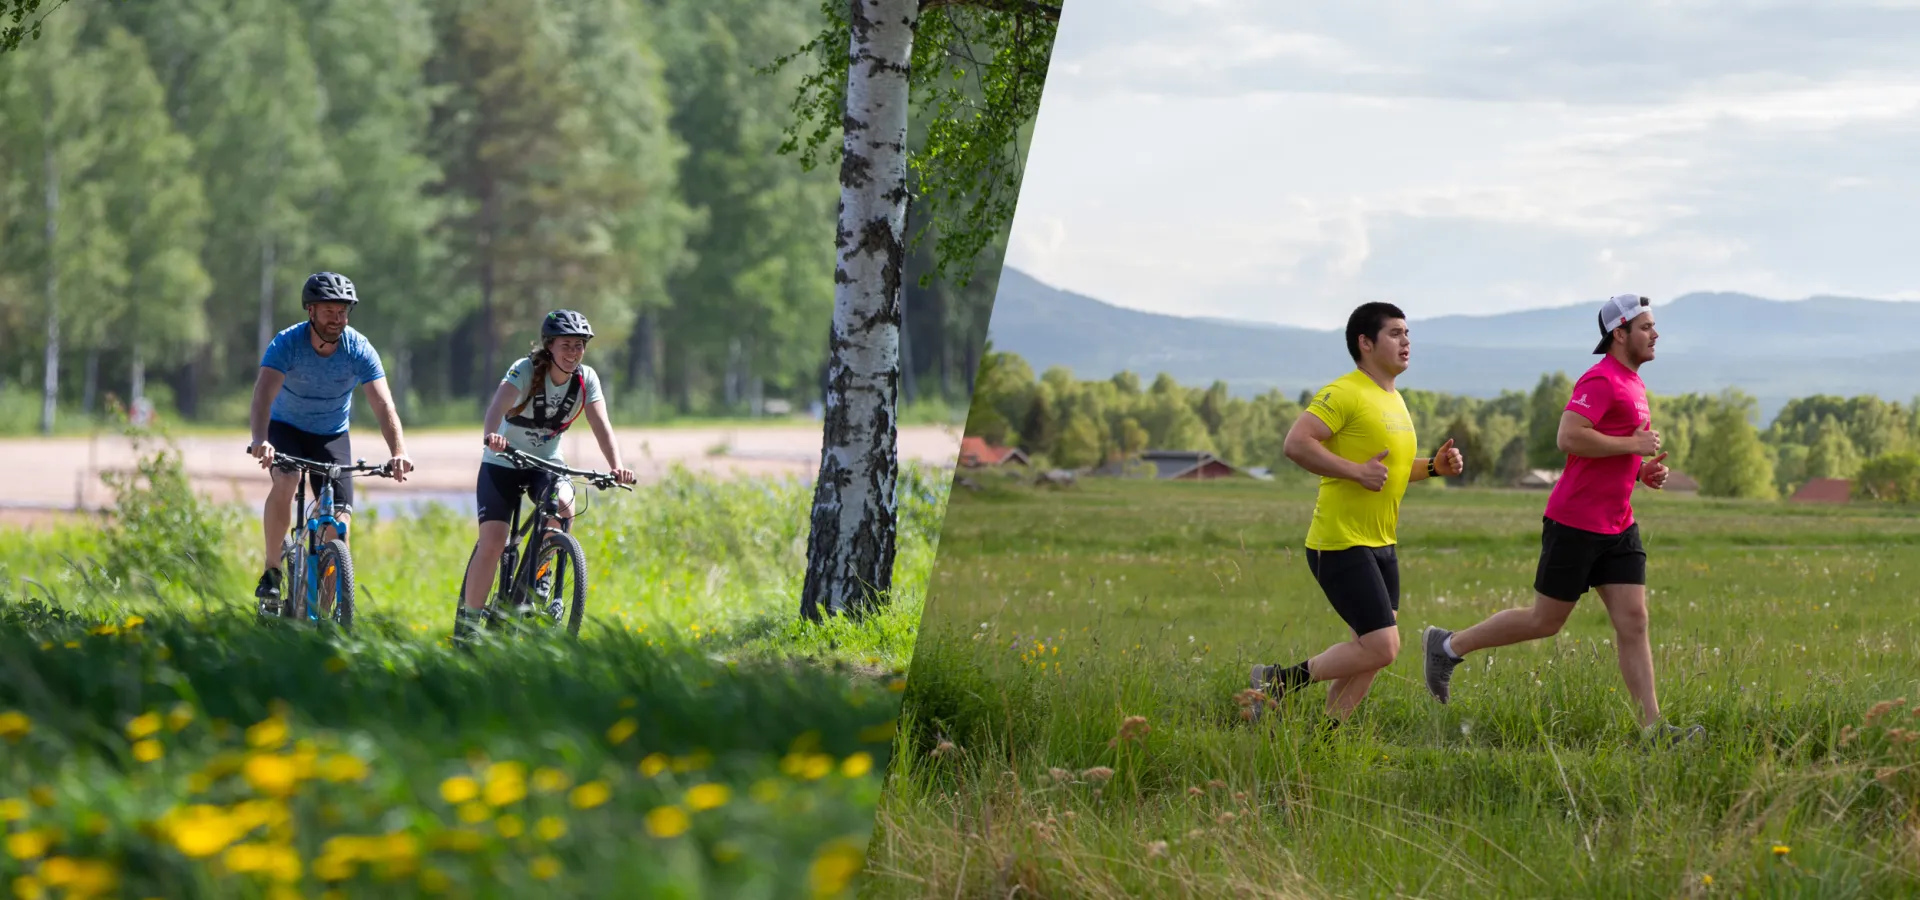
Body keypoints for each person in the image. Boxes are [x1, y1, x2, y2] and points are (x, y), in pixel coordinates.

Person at [1420, 294, 1703, 745]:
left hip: (1618, 524)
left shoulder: (1633, 383)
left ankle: (1654, 730)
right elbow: (1569, 436)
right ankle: (1448, 646)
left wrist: (1641, 471)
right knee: (1544, 621)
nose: (1655, 334)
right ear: (1620, 333)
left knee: (1635, 621)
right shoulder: (1600, 378)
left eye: (1654, 326)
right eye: (1646, 327)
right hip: (1576, 521)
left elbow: (1610, 449)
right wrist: (1632, 447)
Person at [1248, 302, 1464, 725]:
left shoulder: (1394, 398)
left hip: (1382, 543)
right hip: (1340, 541)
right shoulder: (1345, 392)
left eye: (1408, 334)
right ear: (1365, 343)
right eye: (1395, 333)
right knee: (1383, 646)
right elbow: (1297, 443)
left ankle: (1327, 740)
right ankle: (1276, 681)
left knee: (1368, 655)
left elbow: (1390, 473)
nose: (1406, 341)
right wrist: (1353, 471)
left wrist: (1434, 466)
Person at [454, 309, 636, 644]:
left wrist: (616, 466)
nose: (574, 352)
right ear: (549, 346)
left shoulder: (587, 379)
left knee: (565, 507)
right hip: (503, 461)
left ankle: (541, 574)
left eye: (580, 346)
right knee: (493, 542)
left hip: (547, 463)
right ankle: (470, 625)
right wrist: (492, 435)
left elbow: (601, 425)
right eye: (567, 345)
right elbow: (496, 407)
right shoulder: (524, 370)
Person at [248, 272, 414, 614]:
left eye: (343, 312)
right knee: (288, 479)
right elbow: (263, 395)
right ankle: (271, 571)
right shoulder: (287, 343)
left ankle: (324, 616)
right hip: (286, 429)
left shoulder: (358, 349)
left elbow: (383, 404)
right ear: (311, 311)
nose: (337, 320)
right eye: (329, 312)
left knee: (339, 524)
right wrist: (261, 440)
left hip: (332, 434)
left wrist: (398, 452)